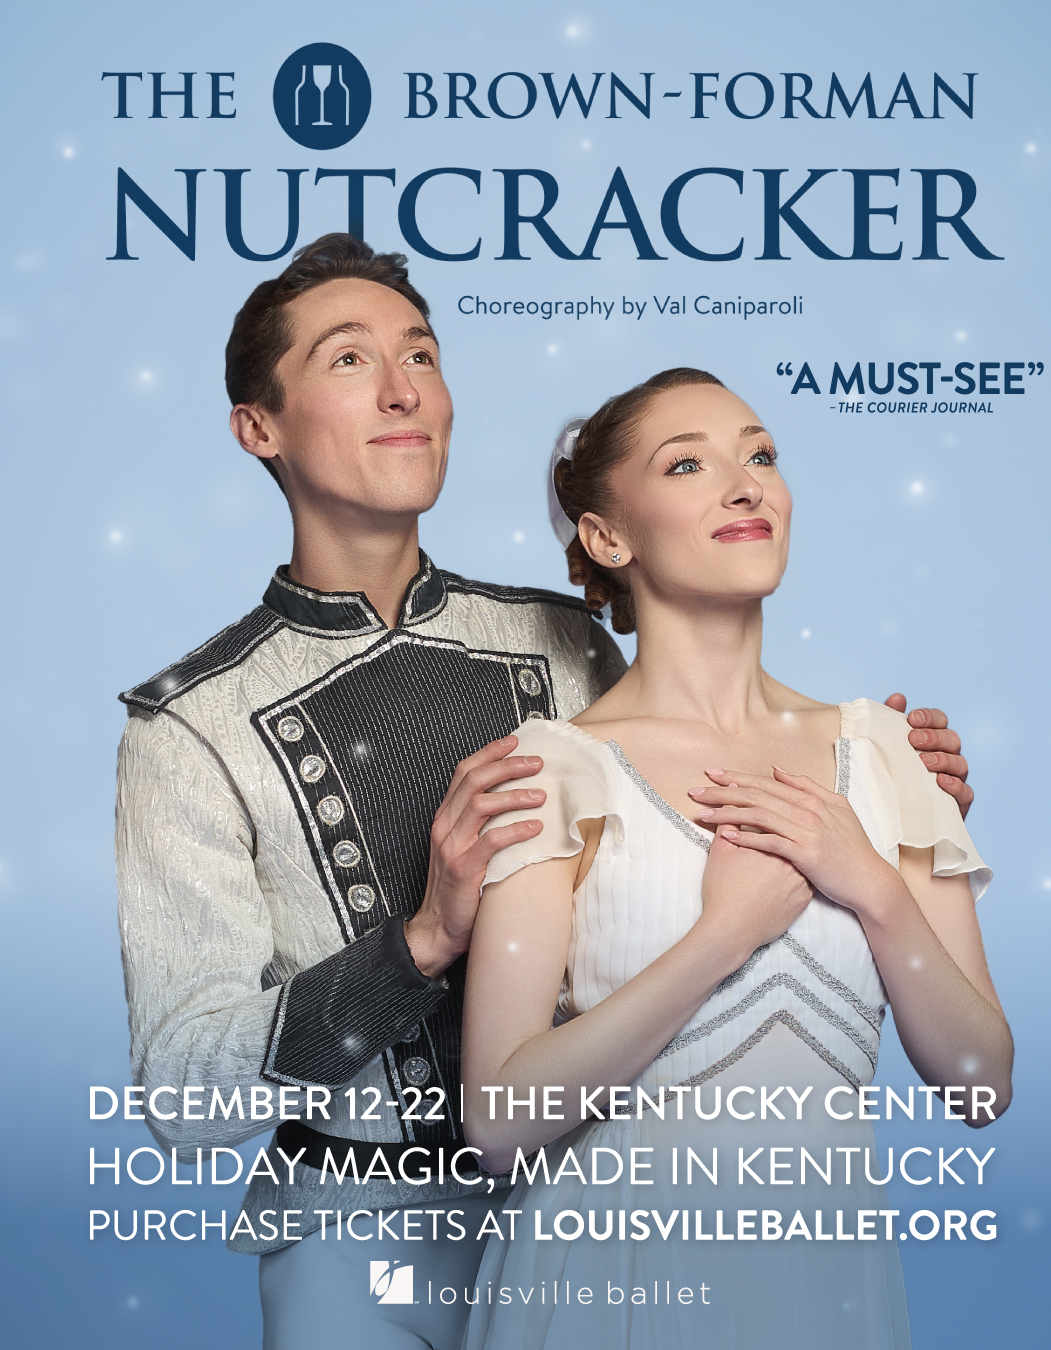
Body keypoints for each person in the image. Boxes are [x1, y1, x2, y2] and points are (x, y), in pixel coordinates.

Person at [113, 235, 974, 1350]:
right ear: (257, 428)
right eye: (347, 359)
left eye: (421, 352)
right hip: (360, 1238)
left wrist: (900, 803)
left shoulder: (568, 645)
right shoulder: (192, 726)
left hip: (592, 1206)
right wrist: (418, 942)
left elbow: (712, 846)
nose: (401, 387)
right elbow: (185, 1099)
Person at [460, 368, 1011, 1350]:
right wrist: (724, 935)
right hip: (607, 1289)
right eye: (688, 464)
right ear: (608, 538)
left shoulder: (891, 754)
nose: (746, 484)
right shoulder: (552, 768)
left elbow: (980, 1083)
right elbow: (499, 1125)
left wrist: (874, 889)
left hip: (823, 1298)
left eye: (760, 455)